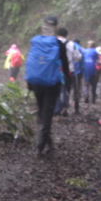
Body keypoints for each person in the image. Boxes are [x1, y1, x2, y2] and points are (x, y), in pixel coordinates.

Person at [25, 16, 70, 155]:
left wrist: (29, 81)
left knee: (42, 112)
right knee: (47, 114)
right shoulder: (58, 44)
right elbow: (65, 65)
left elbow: (31, 61)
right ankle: (39, 147)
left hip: (36, 82)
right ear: (55, 27)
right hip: (52, 84)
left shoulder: (35, 41)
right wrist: (67, 83)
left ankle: (49, 144)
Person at [56, 28, 80, 116]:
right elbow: (78, 57)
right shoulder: (71, 44)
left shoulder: (53, 43)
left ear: (57, 34)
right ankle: (65, 107)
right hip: (68, 70)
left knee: (56, 90)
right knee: (66, 89)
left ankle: (57, 109)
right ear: (66, 35)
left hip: (55, 70)